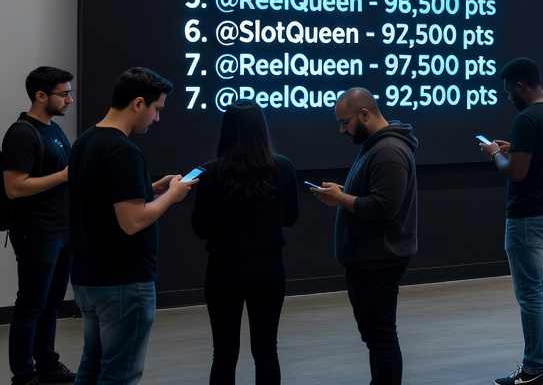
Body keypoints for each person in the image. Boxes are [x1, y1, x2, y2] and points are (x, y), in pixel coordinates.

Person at [68, 67, 197, 385]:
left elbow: (104, 199)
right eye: (156, 109)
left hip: (89, 277)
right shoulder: (124, 151)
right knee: (119, 375)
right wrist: (171, 196)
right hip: (123, 281)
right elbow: (133, 221)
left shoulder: (85, 142)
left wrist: (150, 189)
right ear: (138, 103)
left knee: (92, 367)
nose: (156, 119)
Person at [311, 89, 418, 385]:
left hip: (380, 259)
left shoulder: (388, 152)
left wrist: (341, 199)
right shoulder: (377, 146)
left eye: (345, 122)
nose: (342, 129)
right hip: (371, 257)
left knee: (382, 338)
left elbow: (384, 207)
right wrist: (344, 191)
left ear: (364, 114)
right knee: (376, 337)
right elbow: (375, 193)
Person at [478, 58, 543, 385]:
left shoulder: (526, 118)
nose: (509, 98)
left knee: (531, 295)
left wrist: (494, 153)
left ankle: (533, 369)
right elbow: (537, 157)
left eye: (509, 92)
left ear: (521, 86)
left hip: (527, 219)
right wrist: (511, 148)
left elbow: (515, 171)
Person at [191, 100, 299, 385]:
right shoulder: (283, 167)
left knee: (223, 353)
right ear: (262, 129)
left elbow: (201, 228)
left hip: (223, 270)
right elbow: (290, 218)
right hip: (269, 268)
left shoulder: (208, 172)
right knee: (266, 350)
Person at [3, 67, 77, 385]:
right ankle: (24, 374)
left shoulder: (54, 130)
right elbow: (14, 187)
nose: (69, 99)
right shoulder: (22, 133)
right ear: (41, 96)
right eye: (63, 94)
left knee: (50, 304)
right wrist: (63, 176)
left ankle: (47, 365)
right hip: (36, 233)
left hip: (61, 231)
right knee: (31, 304)